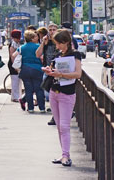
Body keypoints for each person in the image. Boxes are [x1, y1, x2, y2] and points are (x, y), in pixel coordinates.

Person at [43, 29, 83, 167]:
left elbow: (78, 74)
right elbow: (55, 72)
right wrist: (50, 71)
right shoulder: (58, 55)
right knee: (60, 126)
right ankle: (63, 154)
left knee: (64, 126)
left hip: (67, 93)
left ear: (66, 42)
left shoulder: (75, 55)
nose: (57, 46)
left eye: (59, 44)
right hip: (55, 92)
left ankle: (66, 156)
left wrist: (60, 74)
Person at [12, 30, 45, 113]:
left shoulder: (22, 47)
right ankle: (42, 108)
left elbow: (13, 55)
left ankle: (30, 108)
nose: (37, 37)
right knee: (39, 89)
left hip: (25, 70)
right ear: (32, 38)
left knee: (28, 89)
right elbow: (42, 57)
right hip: (37, 70)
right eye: (35, 36)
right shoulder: (38, 46)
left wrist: (17, 66)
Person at [36, 23, 59, 124]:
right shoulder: (46, 42)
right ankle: (54, 111)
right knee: (47, 93)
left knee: (56, 94)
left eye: (54, 29)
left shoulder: (60, 41)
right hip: (48, 70)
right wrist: (42, 43)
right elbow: (37, 54)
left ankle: (55, 114)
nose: (52, 31)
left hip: (58, 71)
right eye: (50, 30)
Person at [7, 29, 22, 102]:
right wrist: (15, 66)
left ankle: (17, 96)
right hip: (14, 64)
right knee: (15, 80)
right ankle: (14, 96)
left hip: (17, 63)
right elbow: (12, 56)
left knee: (18, 80)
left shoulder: (16, 43)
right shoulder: (13, 44)